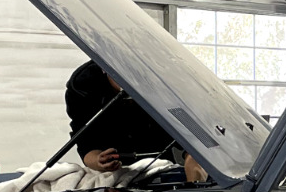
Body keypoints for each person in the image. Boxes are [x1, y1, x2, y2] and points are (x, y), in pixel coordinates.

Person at [65, 60, 207, 183]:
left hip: (158, 168)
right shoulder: (82, 87)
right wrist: (98, 160)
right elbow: (84, 141)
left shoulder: (167, 86)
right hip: (113, 175)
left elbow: (197, 140)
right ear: (105, 69)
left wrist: (195, 173)